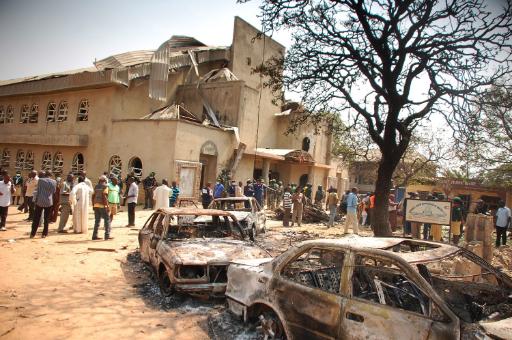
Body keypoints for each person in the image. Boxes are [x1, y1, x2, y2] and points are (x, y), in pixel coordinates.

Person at [30, 171, 57, 238]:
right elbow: (54, 191)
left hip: (40, 201)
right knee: (46, 219)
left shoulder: (41, 180)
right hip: (48, 202)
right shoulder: (54, 182)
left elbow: (38, 191)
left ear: (45, 174)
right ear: (51, 175)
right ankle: (44, 234)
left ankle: (33, 234)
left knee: (36, 218)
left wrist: (35, 200)